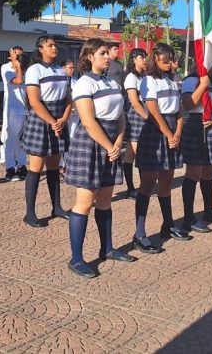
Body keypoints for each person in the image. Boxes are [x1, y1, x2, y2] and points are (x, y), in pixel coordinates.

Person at [65, 39, 134, 278]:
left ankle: (107, 248)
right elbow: (88, 120)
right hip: (90, 144)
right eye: (102, 53)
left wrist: (118, 142)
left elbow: (121, 115)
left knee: (105, 200)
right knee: (84, 202)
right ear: (89, 57)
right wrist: (109, 146)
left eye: (108, 53)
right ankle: (76, 259)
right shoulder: (84, 82)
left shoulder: (112, 82)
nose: (108, 57)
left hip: (111, 143)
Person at [133, 43, 190, 253]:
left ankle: (168, 225)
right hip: (155, 133)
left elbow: (179, 110)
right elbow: (154, 112)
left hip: (172, 131)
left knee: (166, 180)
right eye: (165, 59)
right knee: (147, 184)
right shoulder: (148, 81)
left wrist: (177, 133)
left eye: (170, 58)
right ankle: (139, 233)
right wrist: (169, 134)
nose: (169, 62)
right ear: (155, 59)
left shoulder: (172, 81)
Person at [21, 36, 73, 226]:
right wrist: (52, 121)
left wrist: (63, 119)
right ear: (40, 48)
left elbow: (68, 97)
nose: (54, 48)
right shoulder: (34, 70)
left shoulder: (60, 70)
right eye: (50, 45)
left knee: (54, 165)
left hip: (59, 118)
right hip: (41, 119)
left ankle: (56, 207)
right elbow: (34, 101)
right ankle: (30, 213)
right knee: (35, 167)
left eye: (55, 45)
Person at [179, 66, 212, 234]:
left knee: (209, 171)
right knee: (194, 172)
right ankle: (188, 218)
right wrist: (202, 84)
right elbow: (187, 104)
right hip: (196, 125)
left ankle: (208, 211)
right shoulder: (191, 80)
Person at [122, 48, 148, 199]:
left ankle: (136, 188)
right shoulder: (131, 78)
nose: (144, 59)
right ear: (133, 59)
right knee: (138, 153)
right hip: (136, 117)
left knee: (131, 154)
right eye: (141, 57)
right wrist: (148, 117)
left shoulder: (144, 77)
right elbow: (134, 102)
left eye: (145, 57)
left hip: (145, 116)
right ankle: (132, 188)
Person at [1, 49, 29, 182]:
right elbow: (18, 81)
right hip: (14, 111)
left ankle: (22, 165)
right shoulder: (7, 71)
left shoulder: (26, 72)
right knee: (11, 140)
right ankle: (10, 168)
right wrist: (16, 65)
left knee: (22, 141)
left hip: (25, 111)